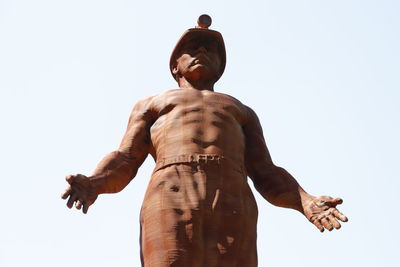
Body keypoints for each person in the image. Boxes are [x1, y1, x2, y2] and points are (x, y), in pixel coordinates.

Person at [61, 15, 348, 267]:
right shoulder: (153, 103)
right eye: (191, 49)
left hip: (232, 193)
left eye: (210, 50)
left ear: (220, 67)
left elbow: (265, 172)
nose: (201, 51)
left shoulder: (240, 110)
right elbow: (126, 158)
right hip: (172, 188)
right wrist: (96, 181)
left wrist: (306, 201)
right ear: (175, 67)